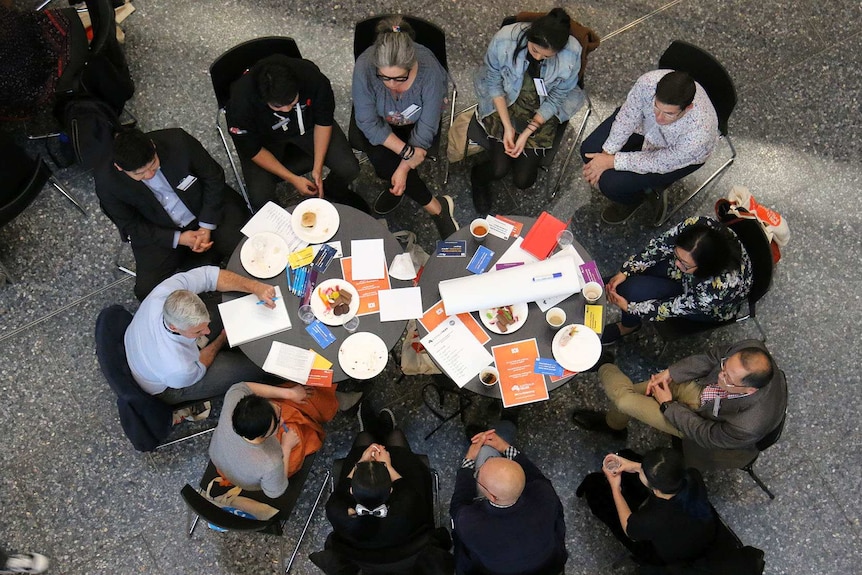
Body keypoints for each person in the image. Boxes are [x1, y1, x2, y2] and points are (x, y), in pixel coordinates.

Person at [572, 340, 787, 469]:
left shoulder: (748, 424)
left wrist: (668, 405)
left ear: (749, 391)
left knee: (624, 400)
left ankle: (602, 364)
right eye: (724, 368)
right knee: (631, 397)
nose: (721, 376)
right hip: (703, 390)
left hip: (698, 422)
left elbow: (706, 434)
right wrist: (670, 373)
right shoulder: (750, 349)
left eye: (729, 379)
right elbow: (711, 358)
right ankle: (614, 425)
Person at [96, 128, 248, 301]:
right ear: (119, 168)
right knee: (148, 292)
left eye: (153, 164)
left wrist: (206, 226)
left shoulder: (178, 141)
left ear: (153, 146)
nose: (150, 174)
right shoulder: (106, 183)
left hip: (206, 210)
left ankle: (204, 259)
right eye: (139, 174)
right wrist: (179, 239)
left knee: (248, 247)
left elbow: (213, 177)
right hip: (160, 230)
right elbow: (132, 225)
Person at [351, 15, 458, 239]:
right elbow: (368, 122)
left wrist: (402, 168)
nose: (391, 85)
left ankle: (405, 187)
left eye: (400, 78)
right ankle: (437, 208)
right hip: (380, 123)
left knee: (387, 165)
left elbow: (428, 126)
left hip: (416, 124)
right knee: (382, 162)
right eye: (384, 77)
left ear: (413, 64)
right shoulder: (364, 66)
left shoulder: (430, 71)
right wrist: (406, 154)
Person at [471, 8, 585, 213]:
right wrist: (507, 126)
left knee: (524, 180)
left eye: (547, 56)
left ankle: (515, 152)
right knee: (499, 169)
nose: (539, 58)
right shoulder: (505, 40)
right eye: (535, 51)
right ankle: (478, 178)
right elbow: (494, 81)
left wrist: (526, 133)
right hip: (505, 100)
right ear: (529, 37)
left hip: (541, 108)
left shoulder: (571, 53)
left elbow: (557, 98)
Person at [226, 53, 366, 212]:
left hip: (309, 125)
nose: (286, 110)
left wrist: (318, 168)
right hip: (264, 141)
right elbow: (252, 149)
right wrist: (291, 178)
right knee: (260, 198)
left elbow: (323, 121)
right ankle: (280, 220)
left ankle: (333, 189)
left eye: (292, 103)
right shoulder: (240, 103)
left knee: (349, 168)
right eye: (278, 107)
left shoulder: (313, 78)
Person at [581, 69, 718, 225]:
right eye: (656, 107)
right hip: (643, 127)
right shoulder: (647, 83)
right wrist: (606, 153)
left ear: (688, 108)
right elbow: (628, 116)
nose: (659, 117)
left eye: (669, 113)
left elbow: (660, 161)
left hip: (672, 155)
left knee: (610, 184)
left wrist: (611, 161)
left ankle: (636, 199)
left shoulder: (699, 133)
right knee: (589, 151)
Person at [124, 265, 277, 404]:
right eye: (198, 331)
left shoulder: (165, 292)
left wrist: (255, 287)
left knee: (230, 307)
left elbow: (210, 276)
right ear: (174, 327)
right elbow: (200, 365)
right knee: (254, 367)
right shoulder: (178, 367)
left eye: (206, 325)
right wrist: (220, 339)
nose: (207, 332)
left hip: (144, 350)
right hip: (172, 385)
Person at [600, 216, 751, 345]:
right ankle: (605, 287)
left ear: (705, 267)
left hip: (705, 304)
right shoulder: (697, 226)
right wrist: (626, 271)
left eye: (683, 264)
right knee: (630, 277)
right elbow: (660, 246)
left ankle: (629, 326)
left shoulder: (719, 288)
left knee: (631, 291)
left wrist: (630, 308)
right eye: (677, 255)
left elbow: (674, 307)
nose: (677, 264)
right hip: (692, 276)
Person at [449, 424, 567, 575]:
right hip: (547, 565)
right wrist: (504, 446)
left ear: (492, 496)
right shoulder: (544, 494)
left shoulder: (471, 523)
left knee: (486, 450)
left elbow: (458, 505)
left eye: (478, 475)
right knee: (504, 433)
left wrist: (469, 460)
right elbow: (535, 475)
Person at [576, 448, 717, 569]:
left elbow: (629, 528)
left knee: (597, 493)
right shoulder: (692, 476)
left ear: (655, 489)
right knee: (629, 456)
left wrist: (615, 489)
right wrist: (634, 466)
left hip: (665, 557)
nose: (640, 468)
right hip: (702, 535)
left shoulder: (653, 519)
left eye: (643, 471)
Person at [208, 381, 337, 500]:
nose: (282, 420)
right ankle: (331, 402)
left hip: (224, 458)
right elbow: (275, 492)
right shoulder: (271, 463)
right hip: (254, 479)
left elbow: (243, 386)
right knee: (301, 425)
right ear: (264, 435)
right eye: (278, 420)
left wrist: (289, 393)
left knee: (288, 397)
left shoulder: (233, 401)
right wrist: (286, 447)